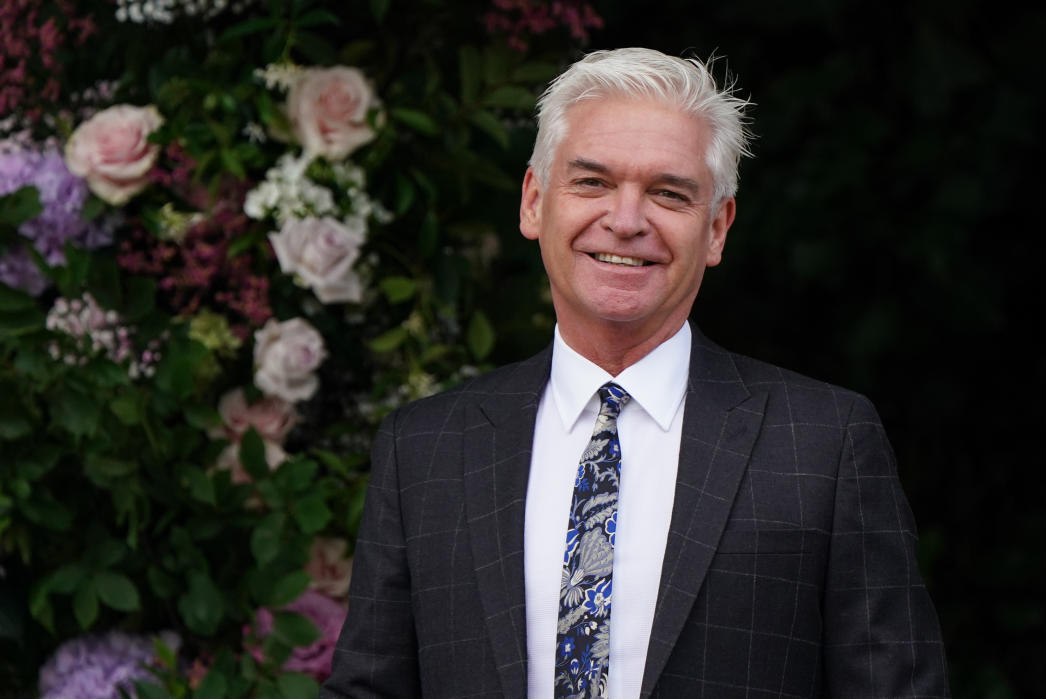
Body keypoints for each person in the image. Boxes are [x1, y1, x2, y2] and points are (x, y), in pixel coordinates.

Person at [322, 47, 949, 699]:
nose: (625, 221)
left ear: (716, 228)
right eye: (592, 182)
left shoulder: (824, 445)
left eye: (668, 193)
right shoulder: (424, 448)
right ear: (534, 203)